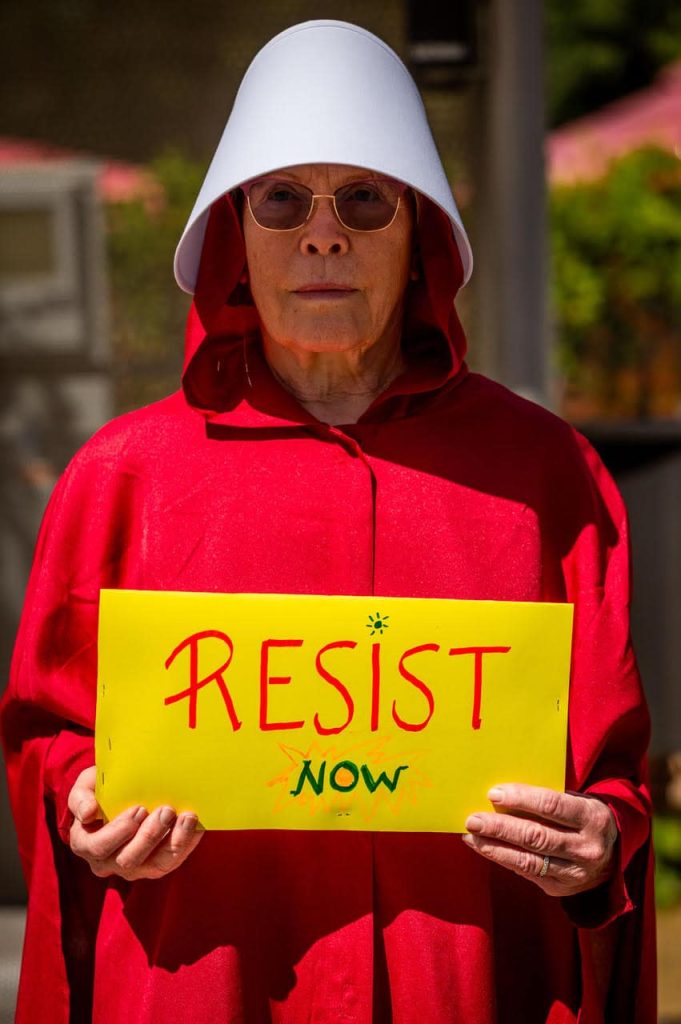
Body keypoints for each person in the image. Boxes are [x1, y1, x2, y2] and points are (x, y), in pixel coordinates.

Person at [1, 20, 655, 1024]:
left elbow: (613, 779)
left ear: (417, 234)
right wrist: (81, 797)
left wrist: (601, 841)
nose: (322, 235)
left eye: (363, 198)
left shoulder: (547, 473)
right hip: (202, 982)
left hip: (462, 984)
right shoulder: (120, 478)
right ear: (234, 231)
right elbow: (47, 741)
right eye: (280, 199)